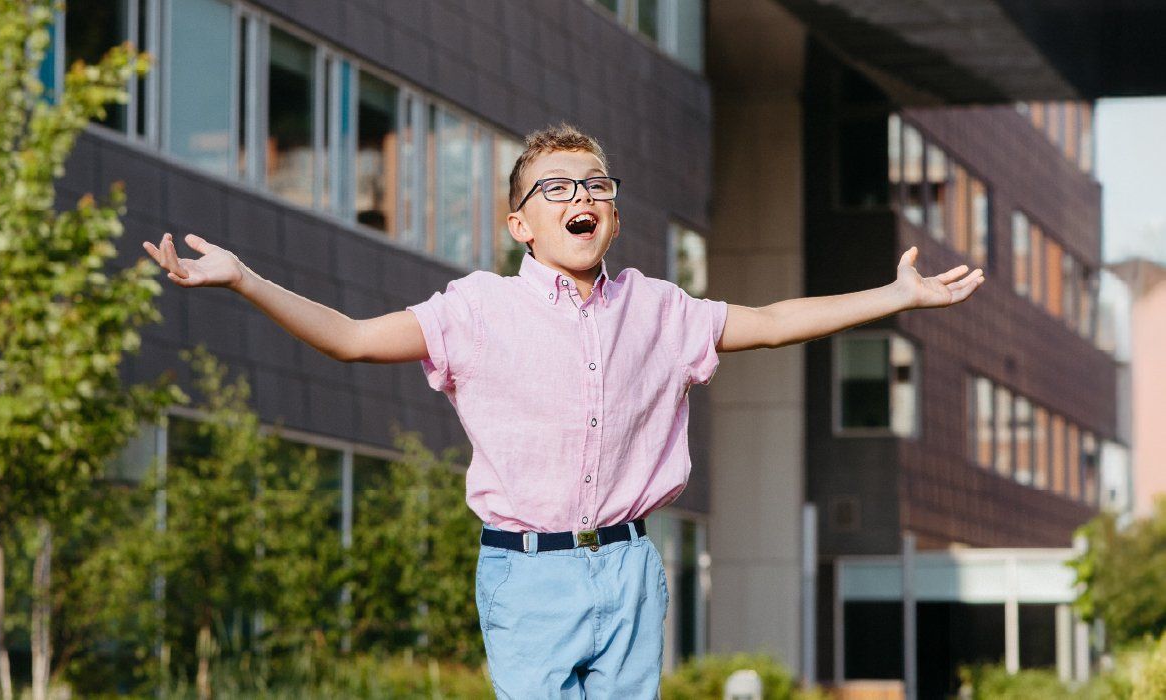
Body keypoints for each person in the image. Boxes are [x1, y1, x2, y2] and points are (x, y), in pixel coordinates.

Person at [143, 124, 983, 698]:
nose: (580, 194)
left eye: (595, 184)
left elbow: (767, 322)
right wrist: (245, 279)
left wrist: (894, 296)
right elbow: (353, 339)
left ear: (609, 214)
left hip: (628, 567)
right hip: (527, 573)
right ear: (521, 224)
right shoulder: (476, 311)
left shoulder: (659, 309)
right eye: (555, 187)